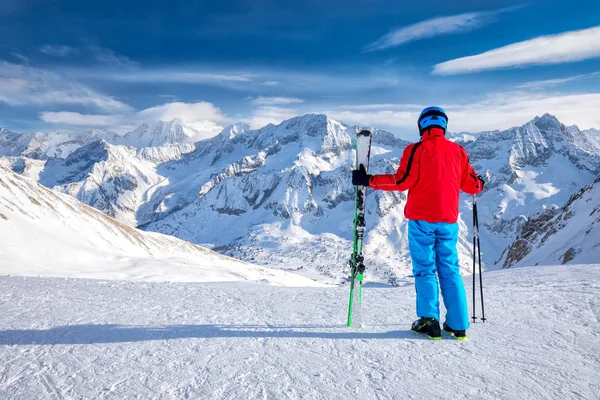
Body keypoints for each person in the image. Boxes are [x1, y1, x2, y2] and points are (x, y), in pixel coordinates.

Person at [352, 106, 484, 340]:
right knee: (450, 270)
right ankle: (458, 324)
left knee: (425, 270)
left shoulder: (416, 149)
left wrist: (368, 180)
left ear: (421, 126)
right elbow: (472, 186)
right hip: (448, 222)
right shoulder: (458, 152)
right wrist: (479, 182)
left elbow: (402, 181)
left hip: (422, 220)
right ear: (443, 125)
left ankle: (429, 321)